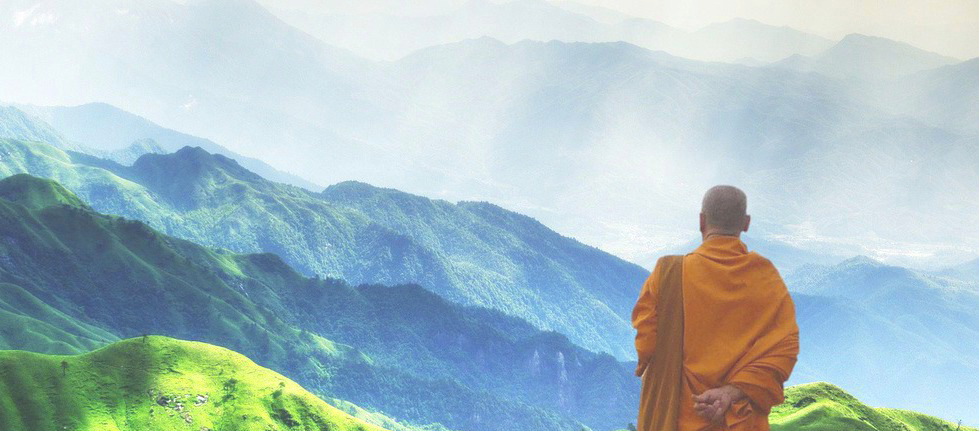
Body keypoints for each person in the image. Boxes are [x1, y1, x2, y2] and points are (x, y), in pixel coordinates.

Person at [631, 185, 800, 431]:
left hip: (678, 419)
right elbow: (785, 349)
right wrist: (731, 393)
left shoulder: (667, 275)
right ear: (746, 223)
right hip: (740, 421)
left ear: (702, 221)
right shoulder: (765, 277)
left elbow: (646, 346)